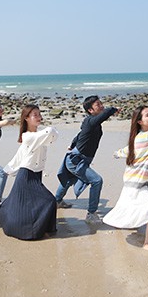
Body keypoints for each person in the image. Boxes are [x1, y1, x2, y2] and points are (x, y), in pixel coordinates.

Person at [103, 106, 148, 251]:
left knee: (127, 209)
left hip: (130, 183)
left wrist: (116, 154)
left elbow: (124, 151)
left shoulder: (136, 139)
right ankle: (147, 243)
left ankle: (130, 231)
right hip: (137, 185)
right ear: (139, 121)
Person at [0, 104, 59, 240]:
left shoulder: (37, 136)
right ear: (26, 118)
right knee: (49, 200)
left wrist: (8, 169)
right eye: (35, 115)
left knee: (16, 200)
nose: (39, 117)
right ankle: (43, 230)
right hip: (27, 174)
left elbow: (20, 155)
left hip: (36, 174)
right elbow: (51, 132)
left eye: (39, 114)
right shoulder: (28, 137)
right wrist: (7, 171)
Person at [54, 95, 119, 224]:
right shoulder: (91, 121)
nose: (101, 106)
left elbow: (81, 134)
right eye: (98, 105)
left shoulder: (92, 123)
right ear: (90, 110)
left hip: (80, 159)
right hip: (76, 161)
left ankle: (57, 201)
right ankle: (91, 214)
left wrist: (72, 144)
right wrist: (113, 109)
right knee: (97, 180)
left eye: (101, 103)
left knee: (68, 180)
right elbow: (104, 114)